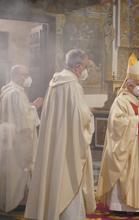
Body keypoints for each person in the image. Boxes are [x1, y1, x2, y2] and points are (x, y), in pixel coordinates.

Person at [25, 49, 96, 220]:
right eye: (85, 67)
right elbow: (80, 117)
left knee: (54, 172)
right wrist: (90, 114)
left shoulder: (55, 82)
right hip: (69, 144)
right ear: (78, 67)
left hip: (55, 141)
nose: (86, 71)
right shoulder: (72, 85)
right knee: (68, 176)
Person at [96, 53, 139, 217]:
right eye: (138, 84)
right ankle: (120, 206)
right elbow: (115, 123)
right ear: (129, 84)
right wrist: (135, 120)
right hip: (129, 148)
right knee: (126, 175)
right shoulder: (121, 100)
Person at [0, 65, 42, 212]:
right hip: (19, 139)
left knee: (8, 170)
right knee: (19, 169)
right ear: (17, 75)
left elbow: (15, 113)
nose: (27, 78)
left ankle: (7, 198)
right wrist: (34, 107)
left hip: (7, 138)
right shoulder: (16, 93)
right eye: (25, 75)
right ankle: (17, 200)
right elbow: (24, 120)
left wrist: (29, 107)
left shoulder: (6, 90)